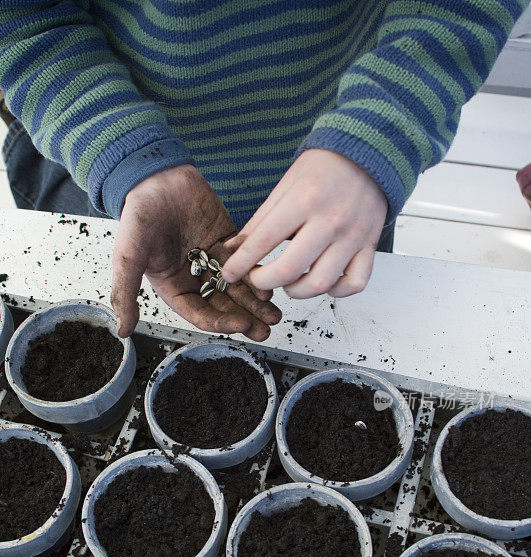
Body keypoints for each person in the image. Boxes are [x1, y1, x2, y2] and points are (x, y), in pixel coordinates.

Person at [0, 1, 526, 342]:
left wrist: (373, 137)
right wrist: (128, 159)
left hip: (339, 186)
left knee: (348, 327)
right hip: (110, 160)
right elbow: (23, 22)